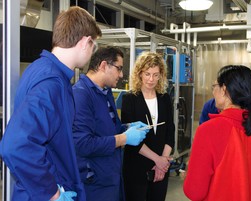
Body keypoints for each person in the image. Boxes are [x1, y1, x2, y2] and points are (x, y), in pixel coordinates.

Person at [0, 6, 102, 201]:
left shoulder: (40, 69)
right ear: (85, 41)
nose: (91, 52)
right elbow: (16, 145)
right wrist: (52, 194)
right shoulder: (51, 83)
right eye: (93, 46)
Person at [183, 65, 251, 201]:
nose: (213, 91)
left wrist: (188, 175)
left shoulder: (208, 131)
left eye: (214, 86)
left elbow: (194, 192)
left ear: (224, 89)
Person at [72, 47, 149, 201]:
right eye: (119, 68)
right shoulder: (81, 94)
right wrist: (124, 139)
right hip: (94, 184)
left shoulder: (105, 92)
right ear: (103, 65)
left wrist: (128, 127)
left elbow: (110, 129)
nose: (121, 75)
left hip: (111, 177)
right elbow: (82, 143)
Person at [121, 51, 175, 201]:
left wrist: (162, 162)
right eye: (147, 74)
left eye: (156, 75)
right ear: (139, 74)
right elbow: (131, 138)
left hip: (161, 169)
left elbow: (170, 131)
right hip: (136, 167)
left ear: (161, 75)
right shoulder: (130, 99)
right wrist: (157, 160)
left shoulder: (164, 99)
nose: (151, 79)